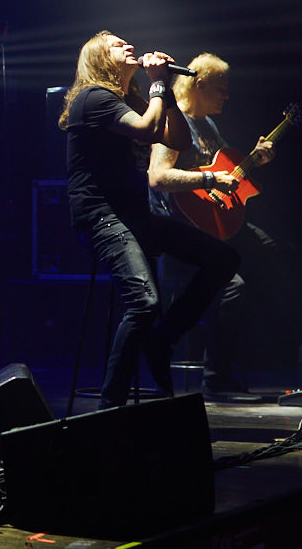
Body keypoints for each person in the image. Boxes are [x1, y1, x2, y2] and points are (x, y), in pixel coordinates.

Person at [59, 32, 239, 409]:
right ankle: (110, 408)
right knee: (143, 303)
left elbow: (179, 140)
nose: (129, 46)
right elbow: (147, 130)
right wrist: (158, 83)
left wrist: (165, 92)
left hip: (136, 217)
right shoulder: (93, 98)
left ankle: (163, 337)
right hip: (102, 217)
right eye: (117, 45)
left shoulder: (130, 100)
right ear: (99, 60)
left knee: (224, 258)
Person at [147, 52, 302, 400]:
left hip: (216, 221)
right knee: (234, 288)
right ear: (199, 85)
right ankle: (212, 374)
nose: (227, 96)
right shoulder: (176, 121)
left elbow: (228, 174)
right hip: (182, 226)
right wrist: (210, 180)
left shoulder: (208, 125)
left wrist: (254, 161)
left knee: (274, 254)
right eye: (220, 89)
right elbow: (159, 178)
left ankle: (282, 343)